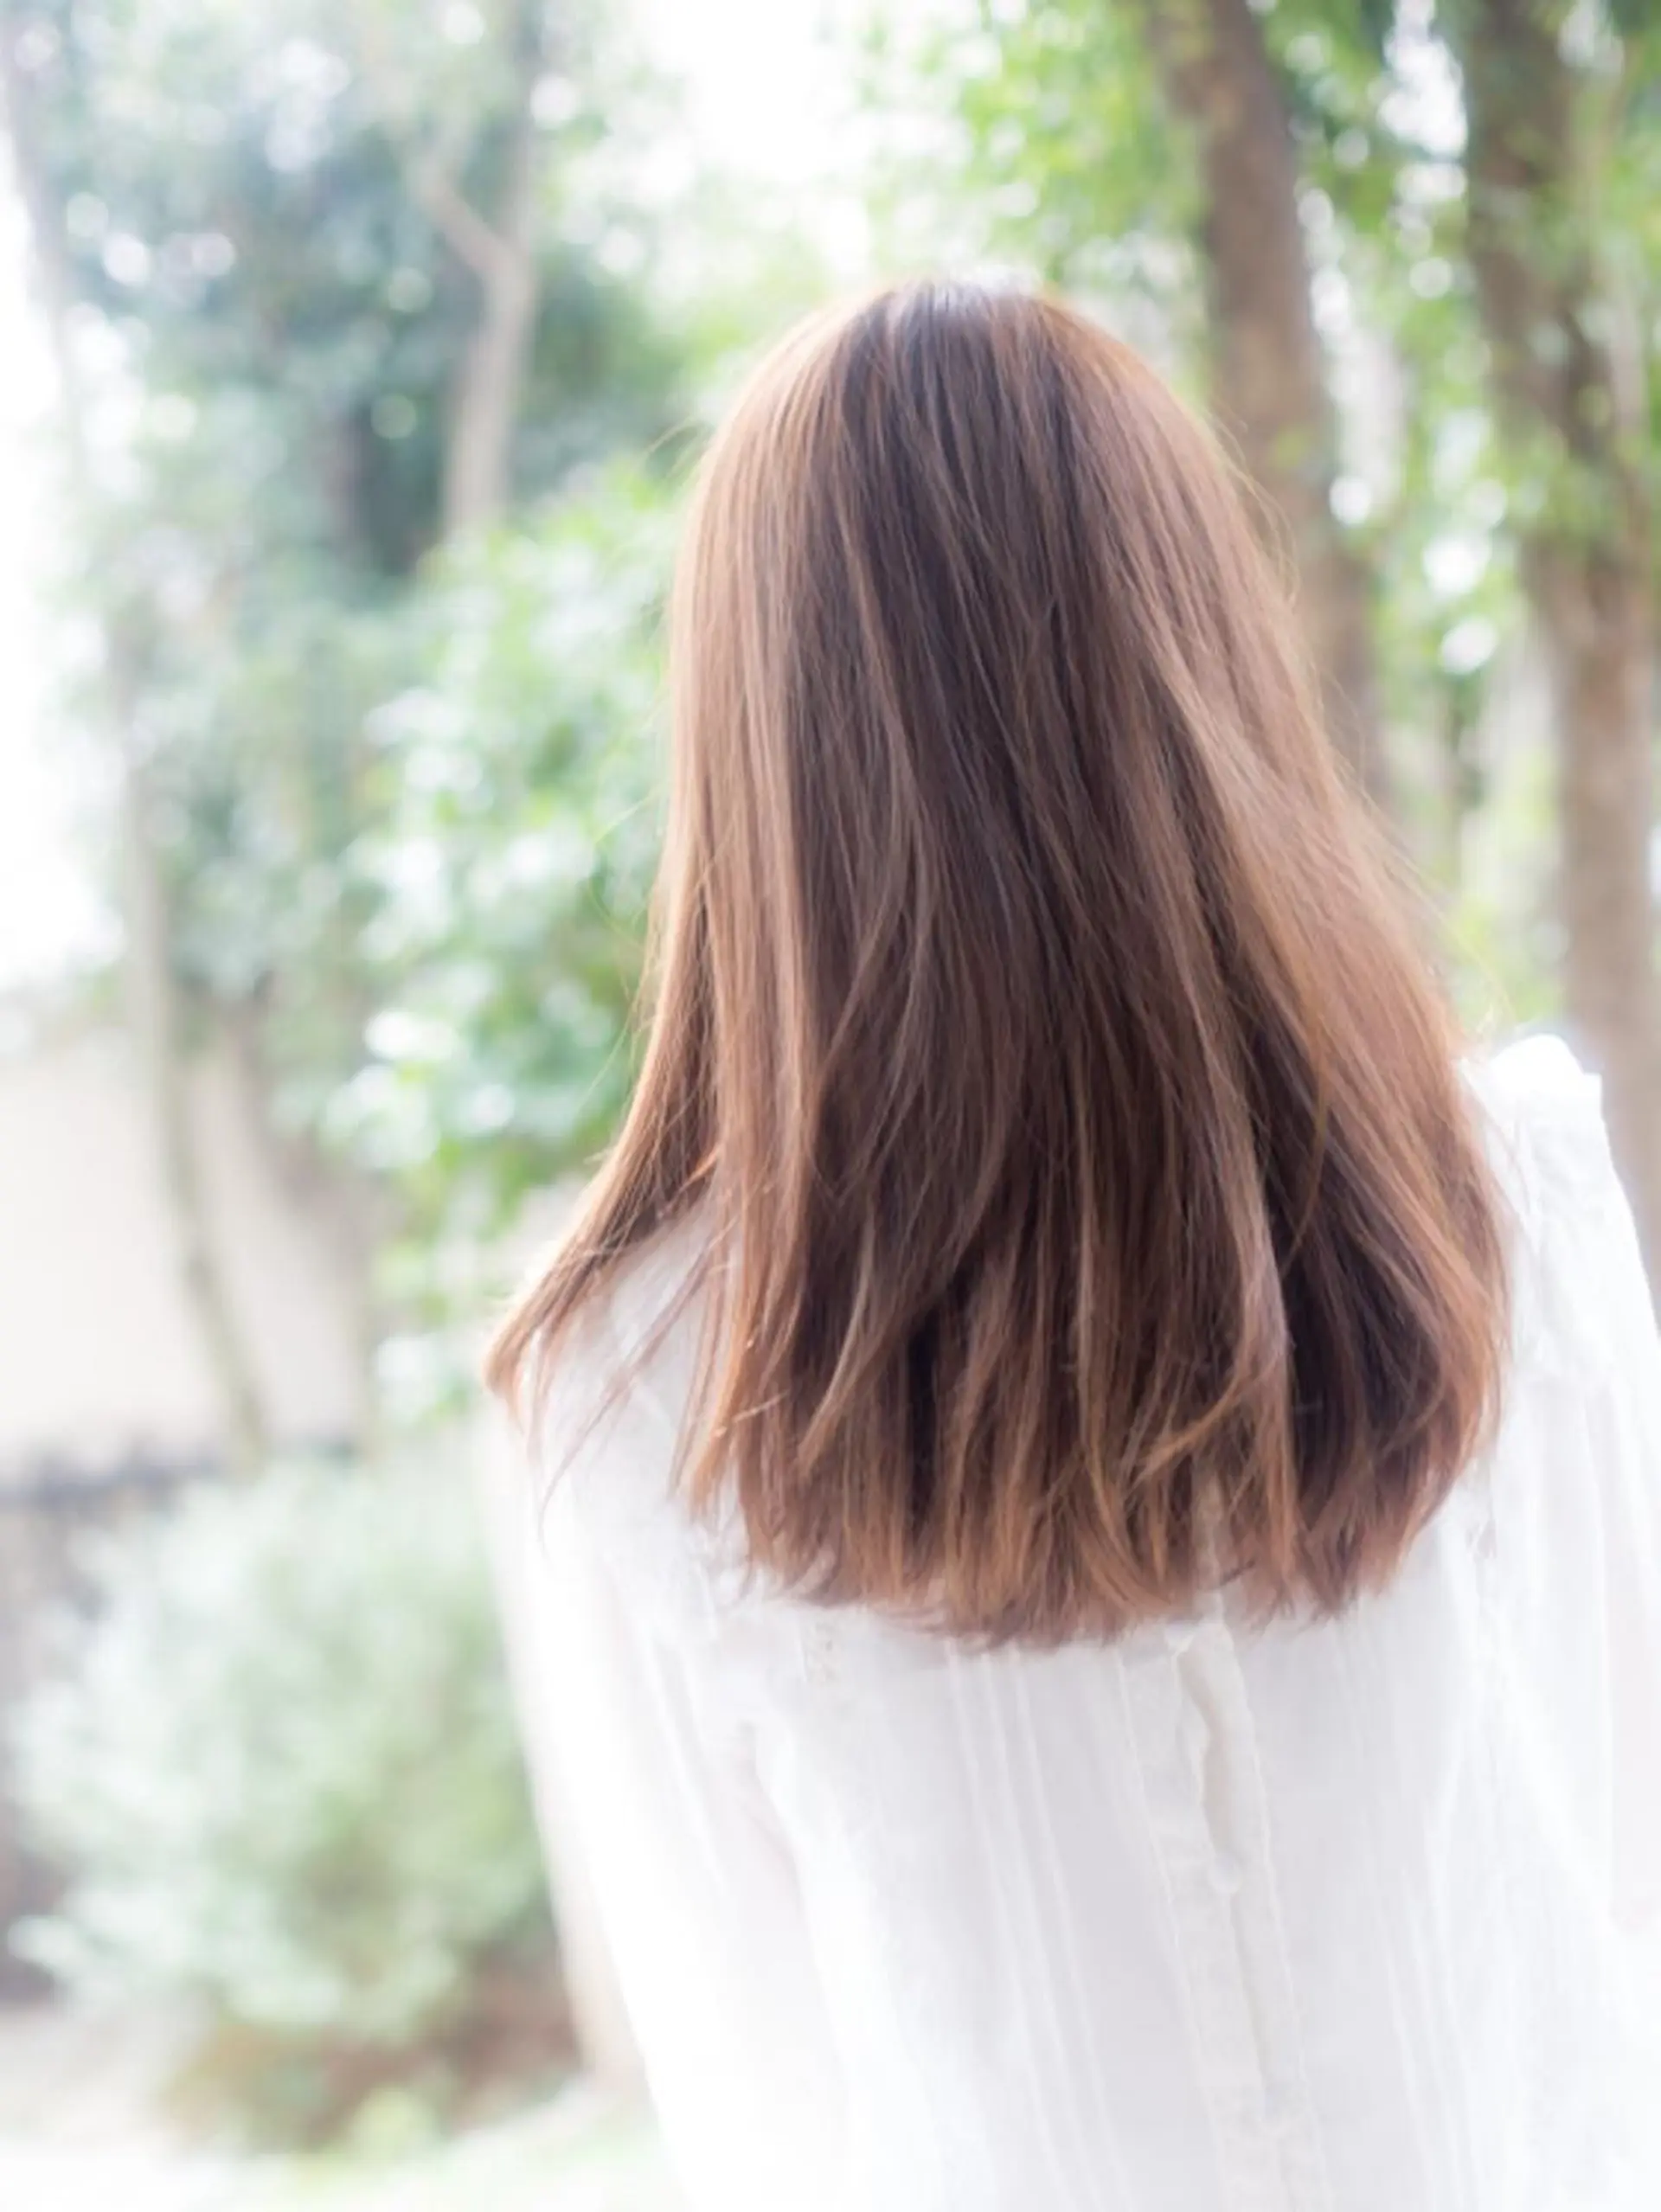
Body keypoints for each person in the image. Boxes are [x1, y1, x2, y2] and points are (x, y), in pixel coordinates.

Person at [488, 282, 1661, 2212]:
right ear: (1196, 653)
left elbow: (761, 2103)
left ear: (765, 744)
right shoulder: (632, 1378)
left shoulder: (1507, 1187)